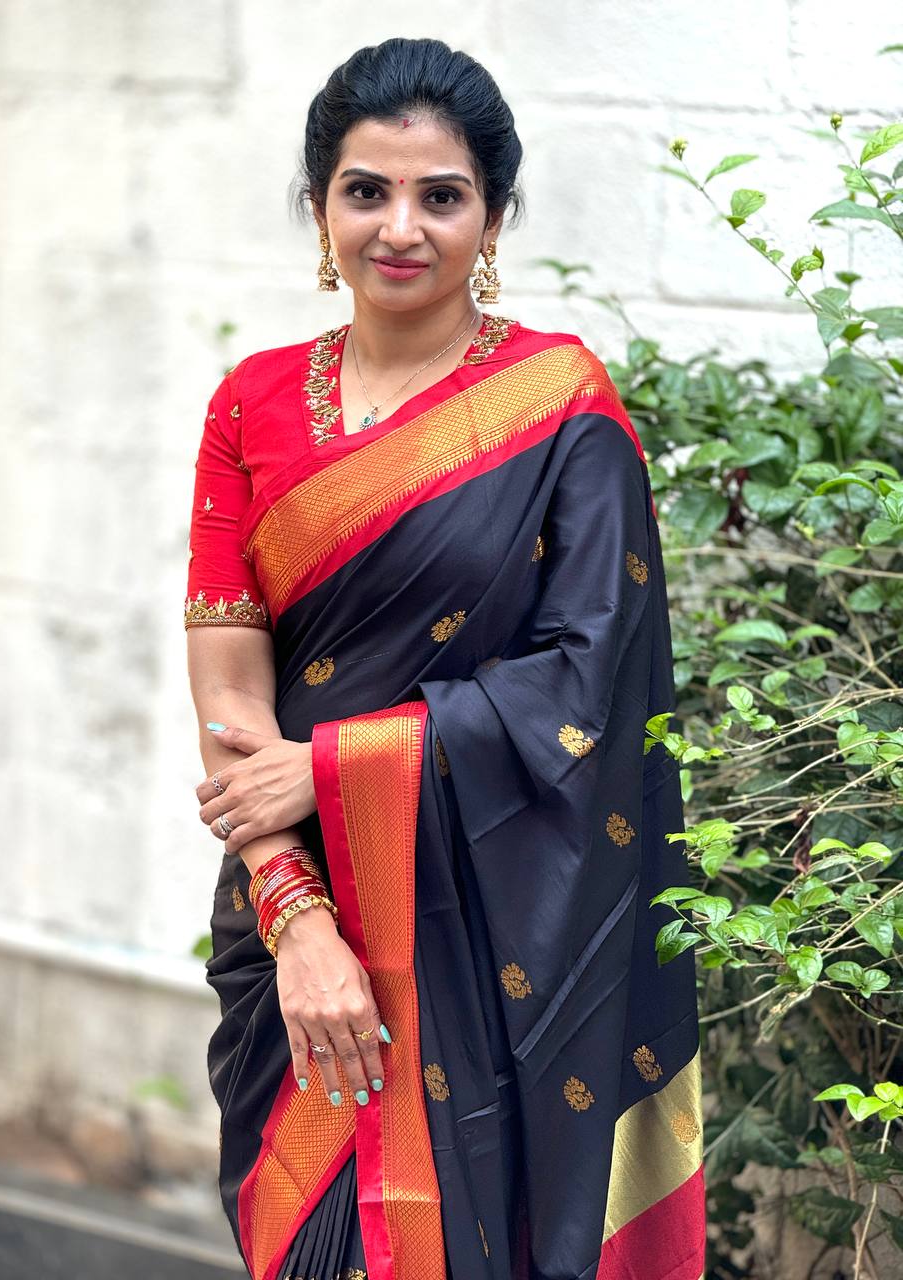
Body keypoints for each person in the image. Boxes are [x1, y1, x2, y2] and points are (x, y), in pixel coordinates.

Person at [184, 35, 705, 1280]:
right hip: (288, 913)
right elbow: (231, 695)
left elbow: (587, 683)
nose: (401, 227)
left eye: (442, 195)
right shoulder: (252, 405)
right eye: (366, 190)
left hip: (496, 928)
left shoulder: (563, 409)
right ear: (322, 207)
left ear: (494, 216)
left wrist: (336, 764)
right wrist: (297, 916)